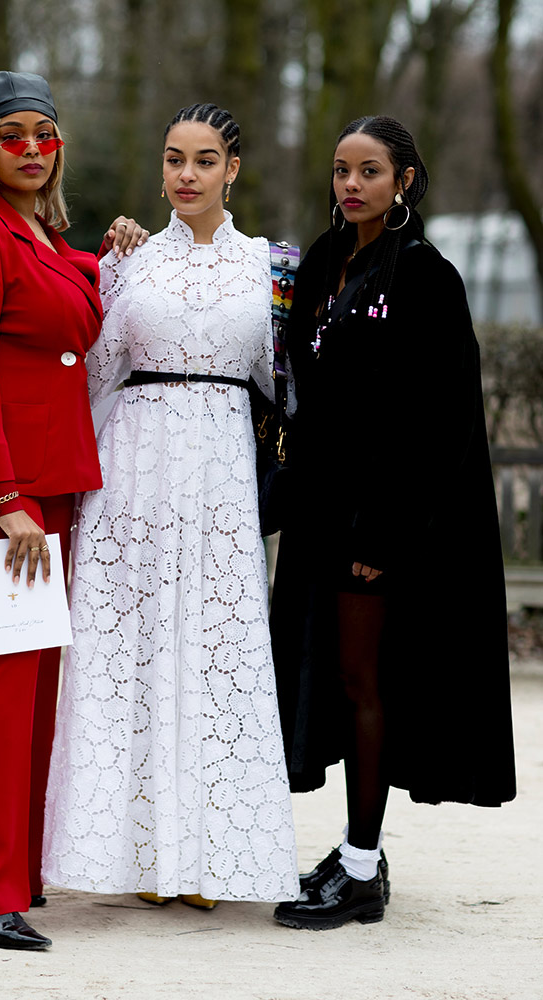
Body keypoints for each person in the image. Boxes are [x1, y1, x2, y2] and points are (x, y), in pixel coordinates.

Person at [0, 70, 146, 950]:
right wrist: (6, 501)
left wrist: (118, 250)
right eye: (14, 135)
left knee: (11, 668)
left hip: (43, 476)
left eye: (46, 133)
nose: (35, 149)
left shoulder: (37, 237)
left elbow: (74, 292)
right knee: (8, 671)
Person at [42, 103, 299, 907]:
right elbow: (91, 373)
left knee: (217, 652)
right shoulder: (126, 262)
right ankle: (135, 858)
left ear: (232, 169)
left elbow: (284, 385)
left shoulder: (272, 266)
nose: (185, 174)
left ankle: (207, 862)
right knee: (130, 651)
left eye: (203, 159)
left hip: (220, 475)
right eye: (172, 158)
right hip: (132, 476)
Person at [270, 115, 517, 931]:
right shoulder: (317, 263)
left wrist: (382, 535)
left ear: (403, 180)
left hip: (379, 521)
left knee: (362, 682)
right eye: (340, 169)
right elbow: (295, 390)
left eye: (368, 171)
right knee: (329, 684)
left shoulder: (424, 276)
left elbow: (440, 424)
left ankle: (364, 869)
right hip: (317, 514)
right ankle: (349, 856)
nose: (350, 185)